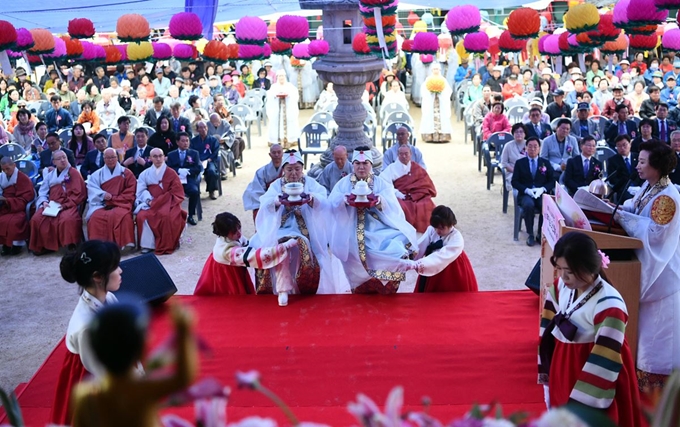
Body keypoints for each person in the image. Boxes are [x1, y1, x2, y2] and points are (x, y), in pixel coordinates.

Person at [538, 232, 643, 426]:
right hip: (563, 365)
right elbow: (547, 322)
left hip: (593, 371)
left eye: (569, 270)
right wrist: (545, 366)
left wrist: (582, 408)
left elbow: (605, 360)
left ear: (588, 267)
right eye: (559, 268)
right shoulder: (561, 286)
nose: (562, 276)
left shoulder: (610, 304)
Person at [614, 140, 680, 395]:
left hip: (664, 273)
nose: (637, 166)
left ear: (657, 166)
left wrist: (623, 217)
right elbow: (636, 208)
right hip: (652, 264)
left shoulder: (667, 198)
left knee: (659, 329)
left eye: (642, 162)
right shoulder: (650, 186)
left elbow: (654, 235)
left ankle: (658, 382)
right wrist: (617, 208)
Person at [71, 302, 197, 427]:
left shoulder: (86, 395)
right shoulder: (143, 388)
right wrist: (183, 331)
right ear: (140, 352)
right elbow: (183, 377)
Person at [49, 240, 124, 425]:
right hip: (90, 377)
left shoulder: (110, 298)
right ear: (98, 276)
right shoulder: (87, 326)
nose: (121, 271)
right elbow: (100, 370)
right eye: (115, 267)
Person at [329, 147, 418, 293]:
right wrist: (344, 200)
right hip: (351, 225)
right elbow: (331, 203)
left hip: (378, 224)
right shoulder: (344, 183)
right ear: (353, 164)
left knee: (397, 242)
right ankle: (360, 286)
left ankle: (388, 284)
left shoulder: (380, 182)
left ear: (371, 165)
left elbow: (393, 206)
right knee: (354, 248)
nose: (361, 167)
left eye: (365, 164)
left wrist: (379, 201)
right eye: (357, 163)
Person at [249, 150, 330, 305]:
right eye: (289, 169)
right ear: (283, 170)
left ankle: (303, 286)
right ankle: (282, 288)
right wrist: (276, 202)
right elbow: (264, 203)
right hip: (281, 227)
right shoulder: (277, 185)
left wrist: (312, 200)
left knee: (304, 246)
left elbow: (324, 200)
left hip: (306, 228)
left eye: (297, 169)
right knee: (274, 247)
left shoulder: (310, 183)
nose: (293, 173)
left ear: (303, 169)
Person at [194, 212, 299, 296]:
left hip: (231, 265)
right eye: (234, 232)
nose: (239, 233)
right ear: (225, 234)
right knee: (230, 298)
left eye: (239, 228)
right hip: (223, 272)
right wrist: (284, 247)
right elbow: (253, 256)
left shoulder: (232, 238)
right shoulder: (226, 250)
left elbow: (248, 245)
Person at [400, 205, 479, 292]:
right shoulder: (432, 230)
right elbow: (420, 245)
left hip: (452, 266)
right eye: (435, 227)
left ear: (451, 224)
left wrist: (419, 264)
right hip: (431, 262)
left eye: (442, 228)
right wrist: (407, 256)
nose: (438, 231)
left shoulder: (456, 238)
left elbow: (442, 255)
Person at [29, 150, 86, 255]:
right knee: (36, 219)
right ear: (54, 162)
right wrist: (44, 202)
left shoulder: (74, 173)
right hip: (52, 204)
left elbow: (79, 193)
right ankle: (44, 246)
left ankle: (70, 244)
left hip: (69, 204)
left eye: (64, 157)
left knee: (67, 219)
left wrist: (64, 205)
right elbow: (42, 192)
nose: (63, 160)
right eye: (59, 159)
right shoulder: (50, 175)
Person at [134, 148, 187, 254]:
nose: (158, 159)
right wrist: (149, 201)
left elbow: (177, 191)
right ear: (150, 158)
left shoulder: (171, 173)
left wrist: (164, 200)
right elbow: (141, 190)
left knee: (168, 216)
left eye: (160, 156)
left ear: (164, 157)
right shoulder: (145, 174)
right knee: (142, 216)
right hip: (150, 202)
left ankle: (170, 242)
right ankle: (147, 245)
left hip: (168, 202)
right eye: (155, 156)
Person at [86, 148, 137, 250]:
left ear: (117, 158)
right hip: (102, 204)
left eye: (113, 157)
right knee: (95, 218)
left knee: (124, 216)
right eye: (108, 158)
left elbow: (131, 191)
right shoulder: (97, 174)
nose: (110, 160)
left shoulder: (126, 173)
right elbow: (91, 188)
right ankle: (98, 248)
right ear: (103, 159)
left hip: (121, 204)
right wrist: (102, 194)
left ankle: (124, 244)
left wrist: (114, 199)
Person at [380, 145, 437, 233]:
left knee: (427, 203)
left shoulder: (416, 167)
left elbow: (424, 182)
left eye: (406, 154)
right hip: (400, 196)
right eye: (401, 154)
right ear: (397, 155)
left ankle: (429, 230)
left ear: (410, 155)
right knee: (401, 207)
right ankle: (406, 231)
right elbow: (384, 184)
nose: (404, 156)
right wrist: (397, 193)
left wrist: (416, 194)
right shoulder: (391, 168)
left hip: (416, 195)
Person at [512, 137, 556, 247]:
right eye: (530, 146)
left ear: (539, 148)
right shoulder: (520, 163)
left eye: (535, 146)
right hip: (526, 193)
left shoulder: (545, 163)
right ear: (526, 148)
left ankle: (540, 233)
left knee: (545, 205)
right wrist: (526, 190)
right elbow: (515, 182)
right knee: (528, 205)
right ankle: (530, 234)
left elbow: (552, 181)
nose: (532, 149)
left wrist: (543, 189)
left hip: (540, 192)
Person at [0, 157, 34, 256]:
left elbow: (26, 197)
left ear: (14, 165)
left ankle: (17, 245)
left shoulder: (23, 178)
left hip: (19, 207)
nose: (6, 172)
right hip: (6, 207)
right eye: (3, 169)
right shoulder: (1, 177)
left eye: (8, 169)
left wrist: (8, 201)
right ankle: (5, 244)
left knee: (14, 222)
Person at [167, 132, 203, 226]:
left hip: (188, 179)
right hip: (176, 180)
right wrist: (179, 170)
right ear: (177, 142)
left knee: (194, 191)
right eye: (183, 141)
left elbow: (198, 168)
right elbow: (168, 168)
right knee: (168, 192)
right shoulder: (171, 155)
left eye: (187, 141)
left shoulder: (194, 153)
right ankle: (173, 215)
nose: (185, 143)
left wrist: (187, 171)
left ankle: (191, 215)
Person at [243, 144, 284, 222]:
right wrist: (270, 203)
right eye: (274, 152)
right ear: (270, 154)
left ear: (283, 153)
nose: (276, 155)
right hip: (266, 202)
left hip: (284, 201)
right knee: (258, 214)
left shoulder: (288, 170)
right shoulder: (261, 172)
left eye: (279, 152)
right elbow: (257, 192)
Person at [420, 63, 453, 143]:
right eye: (434, 69)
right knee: (429, 116)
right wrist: (431, 92)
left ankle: (442, 136)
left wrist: (440, 93)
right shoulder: (428, 79)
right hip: (430, 102)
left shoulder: (443, 80)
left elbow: (448, 91)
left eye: (437, 69)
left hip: (440, 102)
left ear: (439, 70)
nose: (436, 71)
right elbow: (423, 91)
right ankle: (429, 136)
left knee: (442, 117)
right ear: (432, 70)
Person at [266, 70, 300, 148]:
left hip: (288, 109)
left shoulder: (290, 86)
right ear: (277, 77)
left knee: (289, 122)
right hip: (277, 110)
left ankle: (289, 140)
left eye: (283, 76)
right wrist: (275, 95)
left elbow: (295, 95)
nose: (281, 78)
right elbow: (270, 96)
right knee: (276, 122)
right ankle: (276, 141)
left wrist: (288, 95)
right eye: (280, 76)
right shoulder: (274, 86)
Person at [607, 135, 643, 203]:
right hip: (623, 191)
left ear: (630, 144)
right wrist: (627, 188)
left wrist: (640, 187)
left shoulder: (639, 157)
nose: (622, 148)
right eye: (619, 146)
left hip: (640, 188)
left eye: (624, 145)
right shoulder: (612, 160)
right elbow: (613, 180)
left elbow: (645, 173)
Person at [190, 121, 220, 200]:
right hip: (198, 162)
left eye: (205, 127)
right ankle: (195, 191)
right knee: (192, 171)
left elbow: (215, 152)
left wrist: (208, 160)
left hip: (209, 161)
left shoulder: (213, 140)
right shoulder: (193, 141)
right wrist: (198, 161)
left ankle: (211, 191)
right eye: (201, 127)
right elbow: (191, 152)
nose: (203, 129)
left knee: (212, 171)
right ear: (197, 130)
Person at [500, 123, 527, 191]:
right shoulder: (508, 146)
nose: (518, 134)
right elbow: (504, 163)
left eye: (521, 132)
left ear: (525, 134)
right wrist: (516, 172)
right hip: (512, 173)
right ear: (513, 134)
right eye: (516, 132)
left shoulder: (529, 144)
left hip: (527, 173)